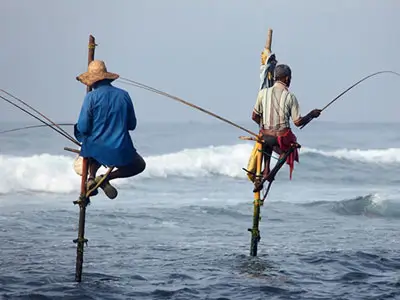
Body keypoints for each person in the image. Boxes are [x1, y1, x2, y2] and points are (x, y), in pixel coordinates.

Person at [74, 60, 146, 199]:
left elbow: (83, 127)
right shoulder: (124, 95)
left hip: (95, 148)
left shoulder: (90, 97)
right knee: (139, 165)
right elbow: (132, 125)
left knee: (92, 147)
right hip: (120, 148)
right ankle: (105, 178)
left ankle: (91, 178)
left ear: (91, 80)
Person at [252, 64, 321, 183]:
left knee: (265, 140)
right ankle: (272, 173)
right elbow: (298, 122)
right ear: (287, 79)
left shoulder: (262, 93)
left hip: (266, 135)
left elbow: (254, 116)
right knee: (290, 148)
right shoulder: (290, 97)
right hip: (282, 137)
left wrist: (263, 126)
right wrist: (311, 115)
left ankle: (266, 169)